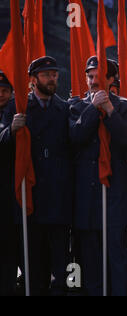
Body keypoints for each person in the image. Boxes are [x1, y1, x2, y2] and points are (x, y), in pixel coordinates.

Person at [1, 57, 73, 296]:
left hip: (58, 194)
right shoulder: (17, 107)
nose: (52, 79)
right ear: (33, 80)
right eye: (46, 75)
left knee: (60, 262)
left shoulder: (64, 108)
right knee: (34, 261)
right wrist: (11, 130)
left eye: (54, 74)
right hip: (29, 196)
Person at [69, 56, 127, 296]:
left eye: (98, 77)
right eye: (89, 77)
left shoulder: (125, 106)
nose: (93, 82)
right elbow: (75, 137)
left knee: (116, 250)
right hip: (86, 190)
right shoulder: (76, 106)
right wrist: (92, 108)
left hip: (115, 188)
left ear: (111, 79)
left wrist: (109, 111)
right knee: (89, 253)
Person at [0, 71, 18, 296]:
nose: (1, 95)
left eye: (5, 91)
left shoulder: (16, 110)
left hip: (10, 193)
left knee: (9, 248)